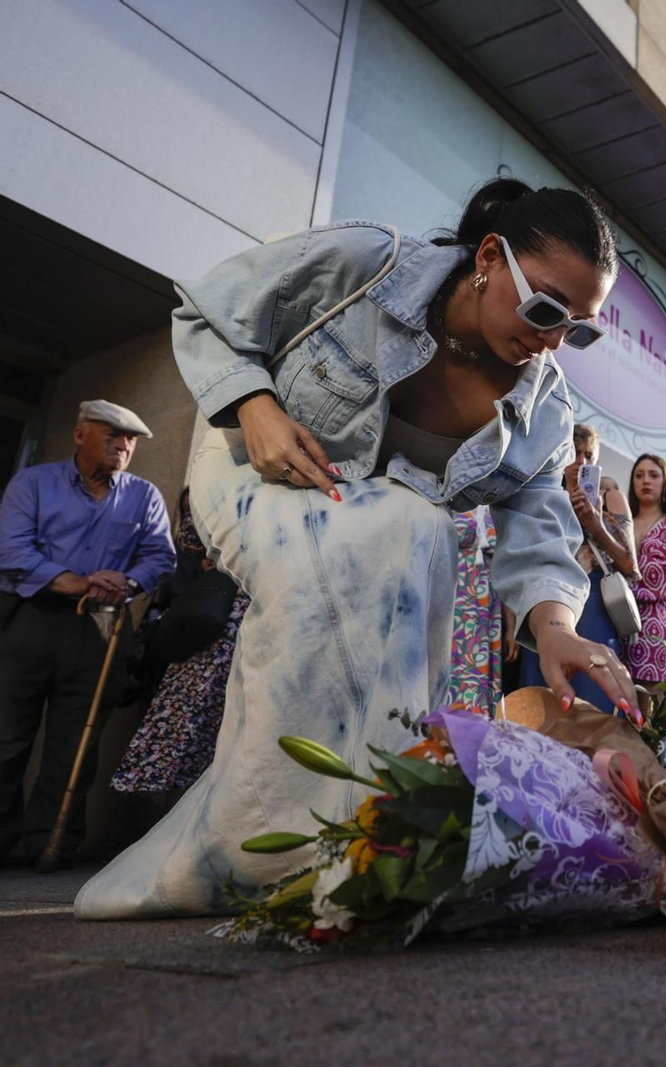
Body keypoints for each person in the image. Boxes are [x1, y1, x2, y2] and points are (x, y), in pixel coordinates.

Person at [75, 179, 636, 920]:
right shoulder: (367, 263)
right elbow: (207, 309)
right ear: (490, 258)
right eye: (545, 310)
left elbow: (538, 527)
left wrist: (556, 625)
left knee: (424, 530)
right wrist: (255, 402)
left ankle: (360, 838)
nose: (553, 340)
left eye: (580, 330)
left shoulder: (546, 407)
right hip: (252, 470)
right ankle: (245, 853)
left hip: (378, 531)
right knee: (401, 531)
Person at [0, 400, 176, 868]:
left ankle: (49, 845)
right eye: (111, 435)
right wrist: (74, 580)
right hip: (30, 618)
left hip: (102, 626)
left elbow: (160, 556)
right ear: (80, 436)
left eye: (130, 440)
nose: (122, 446)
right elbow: (12, 550)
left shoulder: (144, 495)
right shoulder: (33, 483)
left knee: (76, 743)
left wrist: (129, 582)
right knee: (7, 737)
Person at [112, 489, 247, 796]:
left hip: (229, 655)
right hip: (190, 655)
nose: (195, 523)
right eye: (189, 514)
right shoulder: (190, 552)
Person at [520, 422, 635, 714]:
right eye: (575, 453)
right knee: (544, 693)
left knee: (593, 688)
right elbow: (526, 553)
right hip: (546, 600)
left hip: (596, 602)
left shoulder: (609, 500)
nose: (582, 462)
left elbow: (630, 564)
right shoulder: (545, 496)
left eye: (589, 456)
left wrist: (595, 523)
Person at [627, 453, 666, 683]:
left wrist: (623, 586)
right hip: (612, 620)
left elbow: (662, 582)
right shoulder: (621, 519)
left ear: (665, 482)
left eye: (653, 475)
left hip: (651, 622)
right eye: (639, 475)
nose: (646, 481)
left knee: (646, 707)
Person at [445, 505, 515, 716]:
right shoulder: (449, 502)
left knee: (480, 667)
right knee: (448, 664)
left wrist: (511, 629)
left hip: (486, 606)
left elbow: (508, 576)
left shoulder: (498, 509)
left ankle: (478, 720)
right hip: (452, 598)